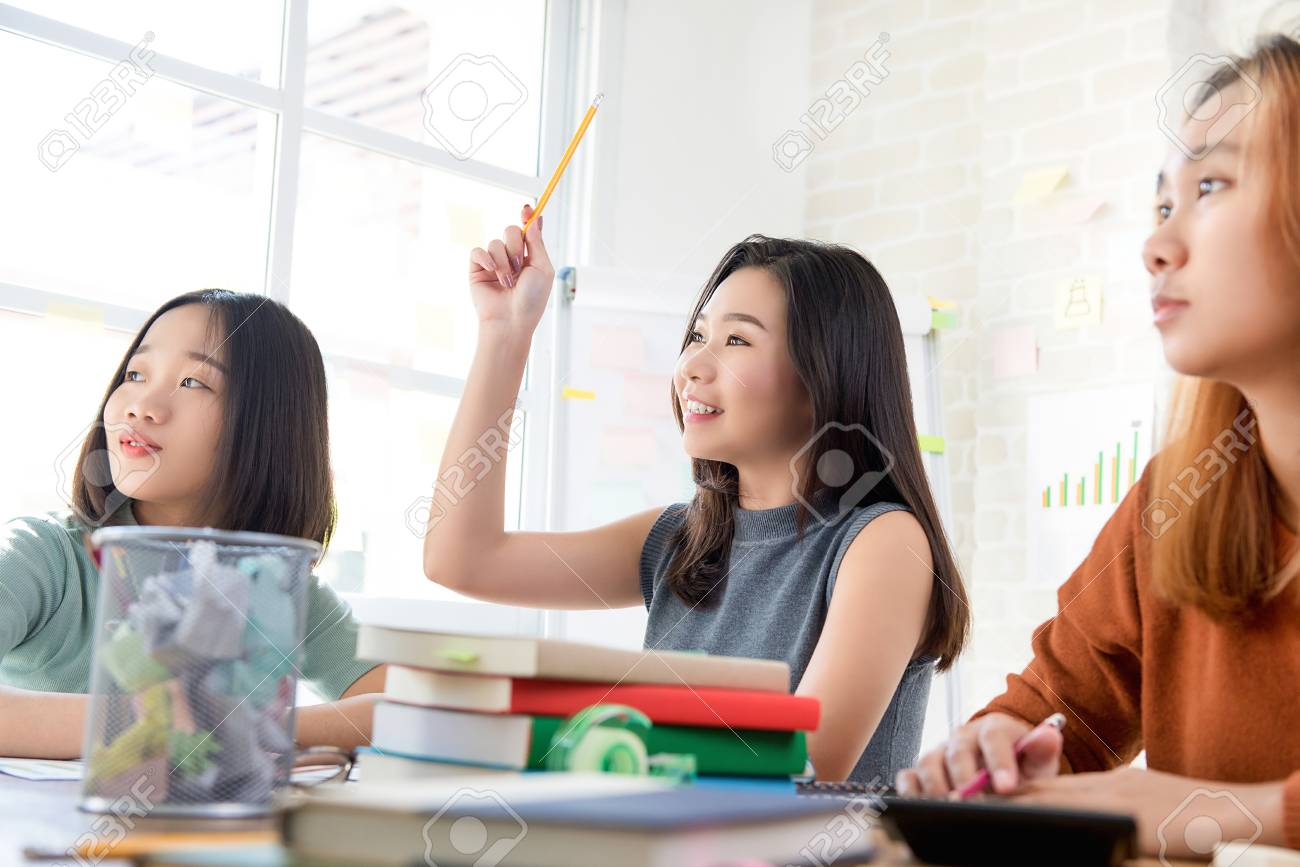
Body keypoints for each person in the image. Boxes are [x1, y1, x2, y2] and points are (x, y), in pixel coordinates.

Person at [895, 35, 1300, 857]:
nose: (1155, 244)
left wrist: (1204, 808)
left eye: (1211, 186)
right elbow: (1059, 706)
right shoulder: (1177, 497)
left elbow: (1152, 803)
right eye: (1161, 205)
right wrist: (1003, 743)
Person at [423, 204, 970, 783]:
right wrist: (504, 335)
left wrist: (580, 736)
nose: (690, 366)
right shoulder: (678, 540)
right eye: (698, 335)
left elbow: (799, 763)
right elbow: (460, 559)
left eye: (736, 340)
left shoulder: (883, 542)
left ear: (824, 375)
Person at [0, 290, 385, 758]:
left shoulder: (276, 585)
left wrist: (245, 728)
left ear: (269, 423)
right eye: (135, 374)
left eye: (192, 383)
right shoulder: (42, 555)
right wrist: (166, 722)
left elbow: (404, 711)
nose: (141, 407)